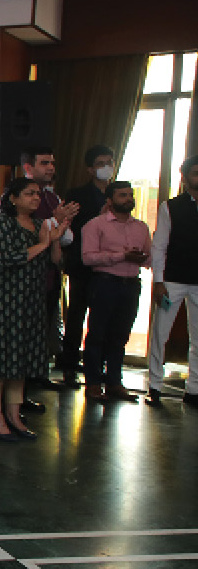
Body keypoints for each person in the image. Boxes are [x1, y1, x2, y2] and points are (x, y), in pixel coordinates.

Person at [0, 178, 70, 442]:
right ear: (13, 198)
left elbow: (55, 261)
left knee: (21, 358)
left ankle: (14, 415)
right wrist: (42, 244)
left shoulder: (41, 225)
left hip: (30, 300)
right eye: (29, 193)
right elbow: (9, 258)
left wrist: (55, 240)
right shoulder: (1, 224)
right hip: (2, 299)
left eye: (37, 194)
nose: (36, 198)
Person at [80, 181, 150, 402]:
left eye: (130, 195)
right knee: (97, 334)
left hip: (131, 284)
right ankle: (93, 383)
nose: (128, 199)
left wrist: (141, 257)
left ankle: (114, 383)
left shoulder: (141, 227)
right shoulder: (95, 225)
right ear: (109, 201)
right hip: (105, 283)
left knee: (120, 336)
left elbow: (149, 258)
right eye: (122, 195)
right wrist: (122, 256)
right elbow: (88, 258)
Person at [18, 147, 78, 394]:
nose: (51, 168)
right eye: (44, 163)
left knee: (43, 327)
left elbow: (67, 238)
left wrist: (59, 223)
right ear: (28, 167)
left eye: (52, 163)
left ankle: (38, 373)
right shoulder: (18, 196)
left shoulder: (52, 197)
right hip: (25, 277)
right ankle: (22, 384)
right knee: (25, 330)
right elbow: (25, 235)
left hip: (49, 273)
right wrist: (54, 220)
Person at [60, 145, 117, 386]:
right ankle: (69, 365)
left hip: (109, 265)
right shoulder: (77, 194)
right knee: (76, 314)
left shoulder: (117, 193)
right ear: (90, 169)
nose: (106, 167)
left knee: (103, 318)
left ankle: (97, 366)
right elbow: (71, 227)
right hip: (82, 263)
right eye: (101, 163)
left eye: (109, 162)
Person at [147, 154, 198, 406]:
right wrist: (159, 281)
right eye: (195, 173)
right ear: (185, 178)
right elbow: (159, 246)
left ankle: (194, 389)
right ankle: (155, 386)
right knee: (160, 333)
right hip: (173, 280)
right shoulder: (171, 207)